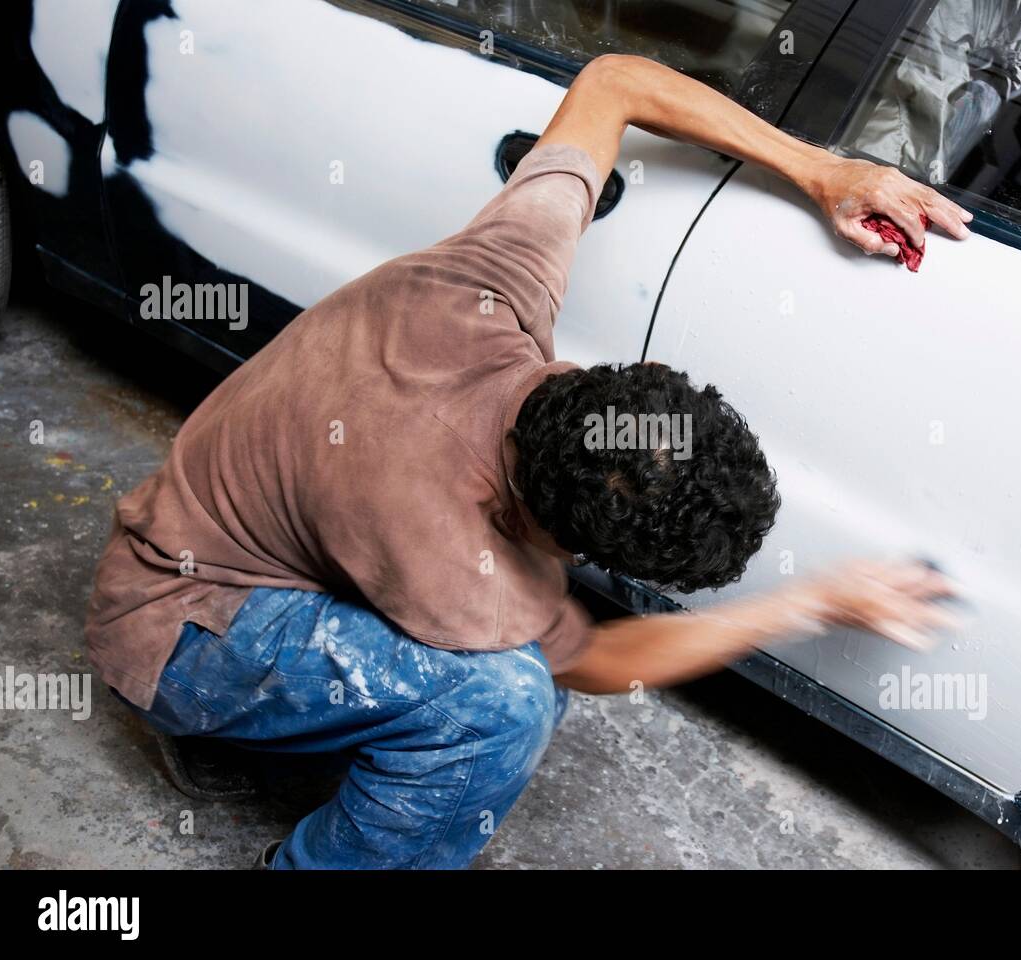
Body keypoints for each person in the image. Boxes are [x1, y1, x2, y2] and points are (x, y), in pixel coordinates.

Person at [85, 54, 972, 869]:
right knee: (505, 704)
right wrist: (808, 602)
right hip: (175, 631)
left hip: (211, 532)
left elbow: (614, 82)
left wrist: (823, 169)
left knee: (514, 687)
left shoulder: (499, 274)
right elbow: (589, 661)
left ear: (639, 379)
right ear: (547, 533)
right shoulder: (452, 559)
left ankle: (263, 737)